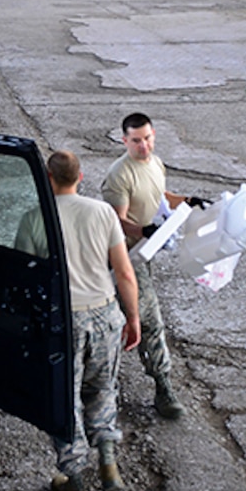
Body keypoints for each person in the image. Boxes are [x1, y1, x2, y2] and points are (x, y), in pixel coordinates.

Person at [15, 149, 140, 491]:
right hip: (105, 315)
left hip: (62, 322)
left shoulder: (34, 218)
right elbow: (125, 273)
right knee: (103, 387)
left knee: (64, 397)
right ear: (80, 177)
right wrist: (132, 318)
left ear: (48, 179)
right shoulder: (102, 212)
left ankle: (75, 482)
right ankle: (107, 459)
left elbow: (25, 281)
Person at [101, 112, 196, 419]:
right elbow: (117, 221)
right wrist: (142, 231)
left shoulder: (154, 163)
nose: (144, 146)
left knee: (128, 318)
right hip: (122, 256)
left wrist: (190, 201)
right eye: (137, 140)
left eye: (148, 138)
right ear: (124, 140)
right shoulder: (120, 175)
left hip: (144, 251)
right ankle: (162, 388)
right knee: (148, 319)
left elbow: (160, 196)